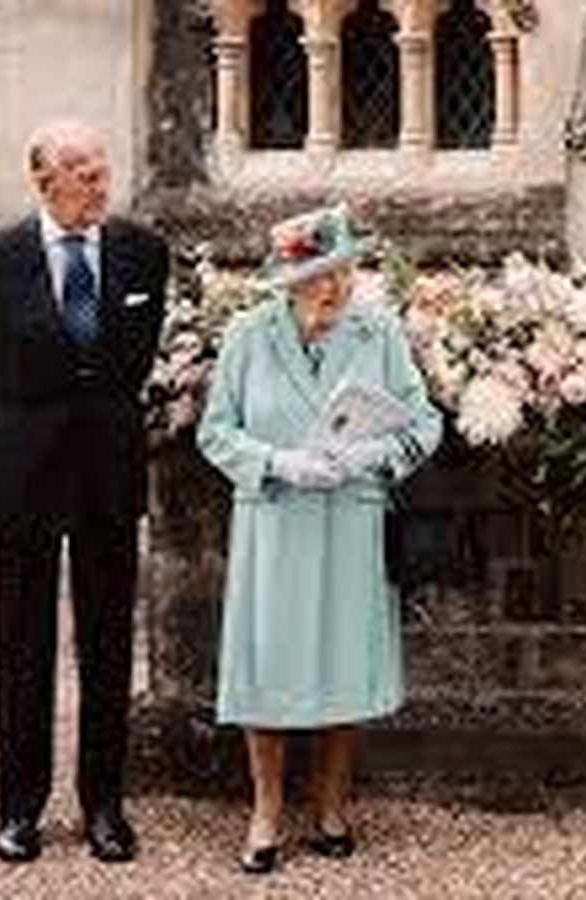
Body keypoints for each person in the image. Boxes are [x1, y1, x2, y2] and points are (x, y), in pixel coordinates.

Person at [0, 119, 168, 863]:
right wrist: (22, 431)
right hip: (23, 475)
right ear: (45, 181)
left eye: (103, 167)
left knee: (108, 645)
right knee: (22, 646)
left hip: (109, 472)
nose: (101, 182)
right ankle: (19, 810)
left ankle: (104, 806)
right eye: (85, 171)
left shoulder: (145, 251)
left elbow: (137, 361)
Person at [196, 205, 443, 874]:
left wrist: (371, 457)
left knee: (342, 661)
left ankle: (331, 806)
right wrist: (278, 463)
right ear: (288, 280)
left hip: (349, 516)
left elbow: (423, 424)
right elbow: (215, 432)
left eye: (345, 270)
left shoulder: (377, 331)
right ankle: (266, 811)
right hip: (274, 520)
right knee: (267, 667)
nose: (336, 287)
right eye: (321, 275)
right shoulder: (248, 334)